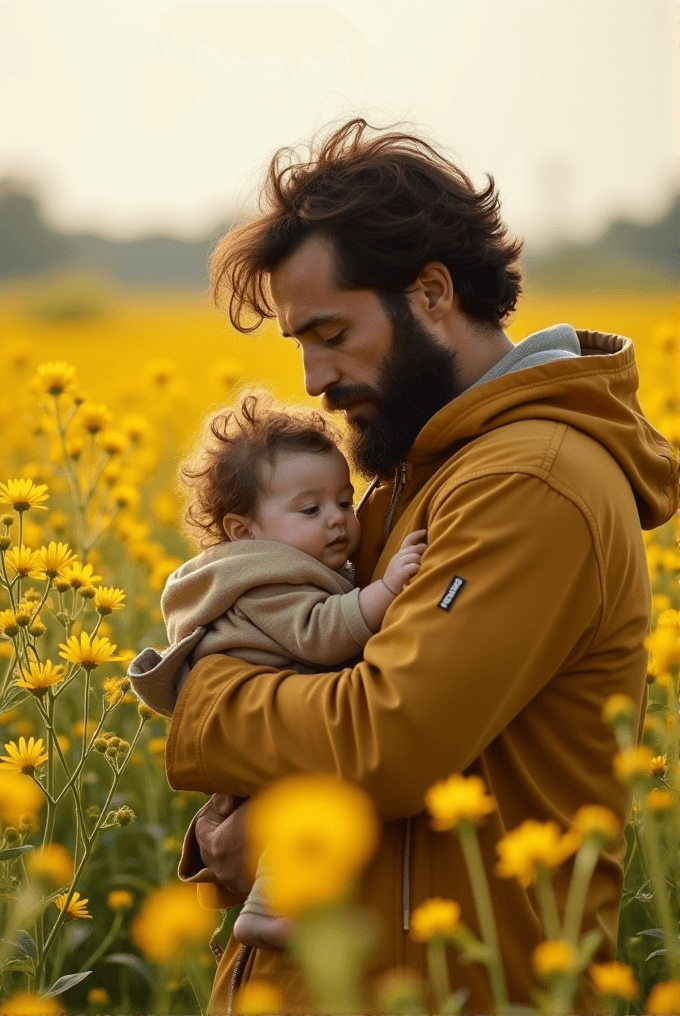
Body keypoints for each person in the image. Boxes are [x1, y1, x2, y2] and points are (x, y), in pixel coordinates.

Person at [163, 118, 679, 1013]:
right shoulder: (412, 476)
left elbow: (382, 740)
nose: (315, 378)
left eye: (330, 331)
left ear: (432, 291)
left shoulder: (528, 479)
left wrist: (206, 699)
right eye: (300, 345)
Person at [127, 390, 427, 950]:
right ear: (244, 531)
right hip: (268, 729)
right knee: (294, 812)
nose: (338, 521)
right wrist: (385, 591)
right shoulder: (266, 578)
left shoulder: (285, 560)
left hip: (269, 717)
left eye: (344, 500)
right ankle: (266, 912)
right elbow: (319, 632)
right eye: (310, 510)